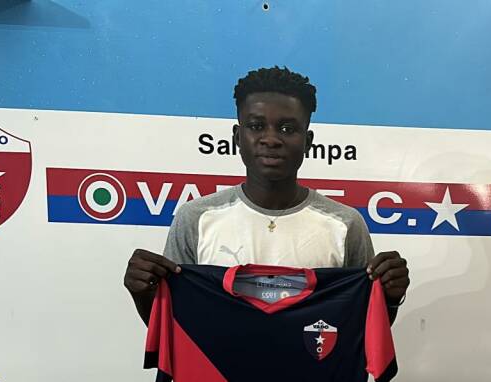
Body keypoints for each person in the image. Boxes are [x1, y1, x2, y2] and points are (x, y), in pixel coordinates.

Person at [123, 66, 409, 323]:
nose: (271, 139)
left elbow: (364, 329)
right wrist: (143, 295)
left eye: (287, 128)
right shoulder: (195, 218)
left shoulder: (345, 224)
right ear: (237, 137)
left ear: (308, 141)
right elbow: (175, 329)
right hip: (219, 370)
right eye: (257, 126)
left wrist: (390, 298)